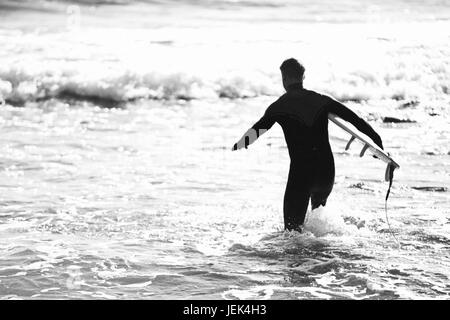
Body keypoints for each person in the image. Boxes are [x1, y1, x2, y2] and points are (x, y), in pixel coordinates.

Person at [231, 58, 384, 232]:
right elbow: (355, 120)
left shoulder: (279, 107)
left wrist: (238, 145)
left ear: (284, 79)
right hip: (326, 173)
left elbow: (255, 132)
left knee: (292, 233)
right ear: (303, 77)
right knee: (319, 229)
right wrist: (377, 141)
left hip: (302, 175)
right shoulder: (322, 100)